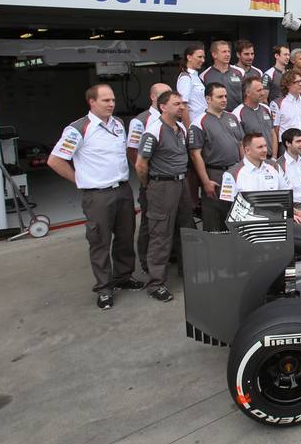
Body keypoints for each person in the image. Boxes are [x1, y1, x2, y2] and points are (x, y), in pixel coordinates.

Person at [48, 84, 142, 310]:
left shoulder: (118, 124)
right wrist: (80, 180)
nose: (111, 104)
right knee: (100, 241)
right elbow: (55, 161)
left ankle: (123, 277)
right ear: (92, 102)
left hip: (122, 190)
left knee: (125, 237)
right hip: (97, 195)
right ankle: (104, 288)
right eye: (105, 100)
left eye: (112, 100)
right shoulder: (78, 129)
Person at [218, 132, 301, 242]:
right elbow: (228, 208)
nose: (265, 150)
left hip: (279, 216)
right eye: (260, 147)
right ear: (247, 150)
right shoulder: (232, 174)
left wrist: (293, 212)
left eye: (265, 146)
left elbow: (285, 194)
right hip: (251, 223)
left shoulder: (273, 167)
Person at [134, 91, 194, 303]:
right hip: (162, 186)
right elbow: (141, 165)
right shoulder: (153, 131)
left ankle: (188, 271)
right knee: (161, 234)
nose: (182, 107)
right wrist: (148, 185)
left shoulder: (181, 128)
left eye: (182, 103)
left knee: (186, 228)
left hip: (181, 184)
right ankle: (156, 283)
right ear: (163, 107)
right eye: (176, 104)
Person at [126, 82, 171, 275]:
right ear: (153, 97)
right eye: (163, 94)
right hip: (151, 180)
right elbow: (132, 151)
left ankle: (170, 256)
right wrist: (145, 177)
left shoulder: (173, 118)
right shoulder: (140, 121)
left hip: (170, 180)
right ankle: (145, 262)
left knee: (169, 221)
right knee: (149, 222)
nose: (168, 97)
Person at [188, 83, 244, 232]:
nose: (224, 99)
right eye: (219, 97)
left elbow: (240, 144)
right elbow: (195, 155)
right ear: (208, 99)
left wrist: (244, 169)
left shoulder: (232, 118)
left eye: (225, 96)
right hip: (215, 174)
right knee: (214, 219)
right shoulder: (199, 123)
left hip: (235, 171)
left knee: (236, 216)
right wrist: (205, 181)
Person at [233, 76, 277, 158]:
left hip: (270, 159)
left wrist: (274, 157)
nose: (263, 93)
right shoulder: (237, 113)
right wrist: (246, 162)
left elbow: (273, 134)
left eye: (262, 89)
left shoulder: (266, 108)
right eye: (258, 90)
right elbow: (240, 142)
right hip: (253, 160)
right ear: (248, 93)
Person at [274, 70, 301, 157]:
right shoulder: (278, 103)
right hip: (288, 147)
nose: (300, 84)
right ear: (288, 84)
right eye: (296, 82)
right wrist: (274, 156)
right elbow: (275, 131)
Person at [201, 40, 243, 112]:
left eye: (229, 51)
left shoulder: (240, 72)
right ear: (214, 55)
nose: (228, 54)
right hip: (216, 115)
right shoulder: (204, 76)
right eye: (224, 52)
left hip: (238, 114)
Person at [176, 44, 206, 126]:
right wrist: (188, 129)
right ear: (189, 57)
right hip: (194, 124)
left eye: (203, 57)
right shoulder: (185, 77)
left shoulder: (196, 76)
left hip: (202, 123)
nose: (203, 60)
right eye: (199, 57)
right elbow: (183, 105)